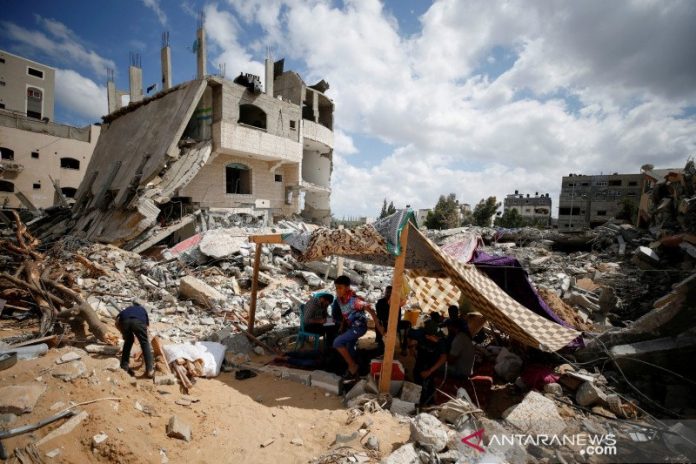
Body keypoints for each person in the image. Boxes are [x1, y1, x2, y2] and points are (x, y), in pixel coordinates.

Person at [331, 275, 383, 381]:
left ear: (347, 287)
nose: (338, 290)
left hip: (359, 328)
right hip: (351, 327)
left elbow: (370, 309)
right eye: (336, 288)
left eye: (340, 287)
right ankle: (356, 375)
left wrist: (378, 326)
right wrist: (342, 326)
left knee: (337, 342)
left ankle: (353, 367)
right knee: (350, 350)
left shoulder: (354, 301)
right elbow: (345, 314)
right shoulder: (340, 299)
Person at [411, 316, 448, 405]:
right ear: (427, 336)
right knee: (417, 389)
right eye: (435, 337)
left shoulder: (441, 341)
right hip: (419, 366)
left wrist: (429, 371)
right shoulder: (420, 334)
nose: (438, 338)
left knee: (428, 391)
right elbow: (410, 336)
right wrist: (410, 348)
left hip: (431, 369)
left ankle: (427, 407)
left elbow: (444, 357)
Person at [115, 304, 154, 378]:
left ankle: (124, 366)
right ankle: (150, 370)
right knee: (145, 343)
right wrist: (144, 338)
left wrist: (123, 333)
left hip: (124, 322)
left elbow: (117, 322)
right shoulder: (143, 310)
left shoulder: (127, 309)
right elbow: (146, 327)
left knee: (128, 341)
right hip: (138, 323)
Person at [446, 312, 487, 378]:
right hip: (466, 372)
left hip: (460, 373)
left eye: (449, 327)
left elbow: (451, 360)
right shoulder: (465, 337)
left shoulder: (460, 338)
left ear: (453, 327)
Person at [375, 286, 411, 355]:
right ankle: (380, 344)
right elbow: (379, 316)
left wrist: (394, 322)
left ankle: (404, 347)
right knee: (377, 324)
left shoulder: (396, 302)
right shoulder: (380, 302)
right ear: (385, 293)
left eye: (391, 293)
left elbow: (398, 316)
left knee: (408, 324)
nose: (389, 294)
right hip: (384, 323)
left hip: (394, 323)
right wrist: (387, 321)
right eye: (387, 292)